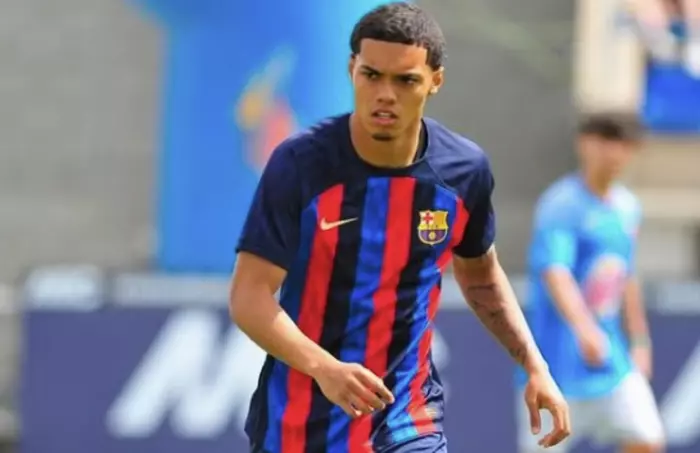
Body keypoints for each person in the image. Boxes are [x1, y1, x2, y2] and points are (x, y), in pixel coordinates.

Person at [230, 2, 570, 452]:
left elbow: (481, 277)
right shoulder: (299, 165)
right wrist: (324, 368)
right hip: (298, 426)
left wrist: (535, 366)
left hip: (408, 422)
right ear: (352, 70)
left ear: (435, 81)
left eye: (405, 80)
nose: (385, 94)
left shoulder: (463, 171)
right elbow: (249, 296)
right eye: (371, 75)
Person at [515, 112, 665, 453]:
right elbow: (555, 271)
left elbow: (625, 275)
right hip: (555, 365)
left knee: (647, 438)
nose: (613, 153)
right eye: (604, 141)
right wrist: (585, 330)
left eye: (623, 144)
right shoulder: (562, 204)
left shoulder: (627, 207)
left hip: (611, 361)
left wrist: (639, 339)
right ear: (584, 144)